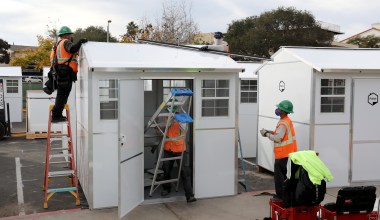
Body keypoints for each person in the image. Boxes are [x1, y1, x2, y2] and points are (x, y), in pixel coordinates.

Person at [43, 26, 87, 122]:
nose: (71, 37)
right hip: (65, 71)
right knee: (63, 94)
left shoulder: (56, 45)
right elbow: (72, 49)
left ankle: (57, 114)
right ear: (67, 35)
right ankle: (56, 115)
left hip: (60, 72)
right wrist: (80, 42)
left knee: (62, 94)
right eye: (70, 35)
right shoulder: (66, 42)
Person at [260, 100, 297, 200]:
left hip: (282, 154)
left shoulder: (283, 123)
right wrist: (269, 131)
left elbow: (277, 138)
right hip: (287, 153)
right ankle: (285, 195)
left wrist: (266, 134)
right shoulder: (286, 121)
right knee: (284, 176)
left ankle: (281, 196)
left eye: (280, 109)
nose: (277, 110)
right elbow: (279, 134)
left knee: (279, 177)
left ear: (284, 111)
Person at [161, 117, 196, 203]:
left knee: (184, 171)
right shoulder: (166, 117)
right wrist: (162, 126)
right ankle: (166, 188)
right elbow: (162, 130)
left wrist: (174, 120)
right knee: (166, 169)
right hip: (168, 149)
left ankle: (189, 195)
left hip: (180, 150)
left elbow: (184, 128)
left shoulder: (182, 119)